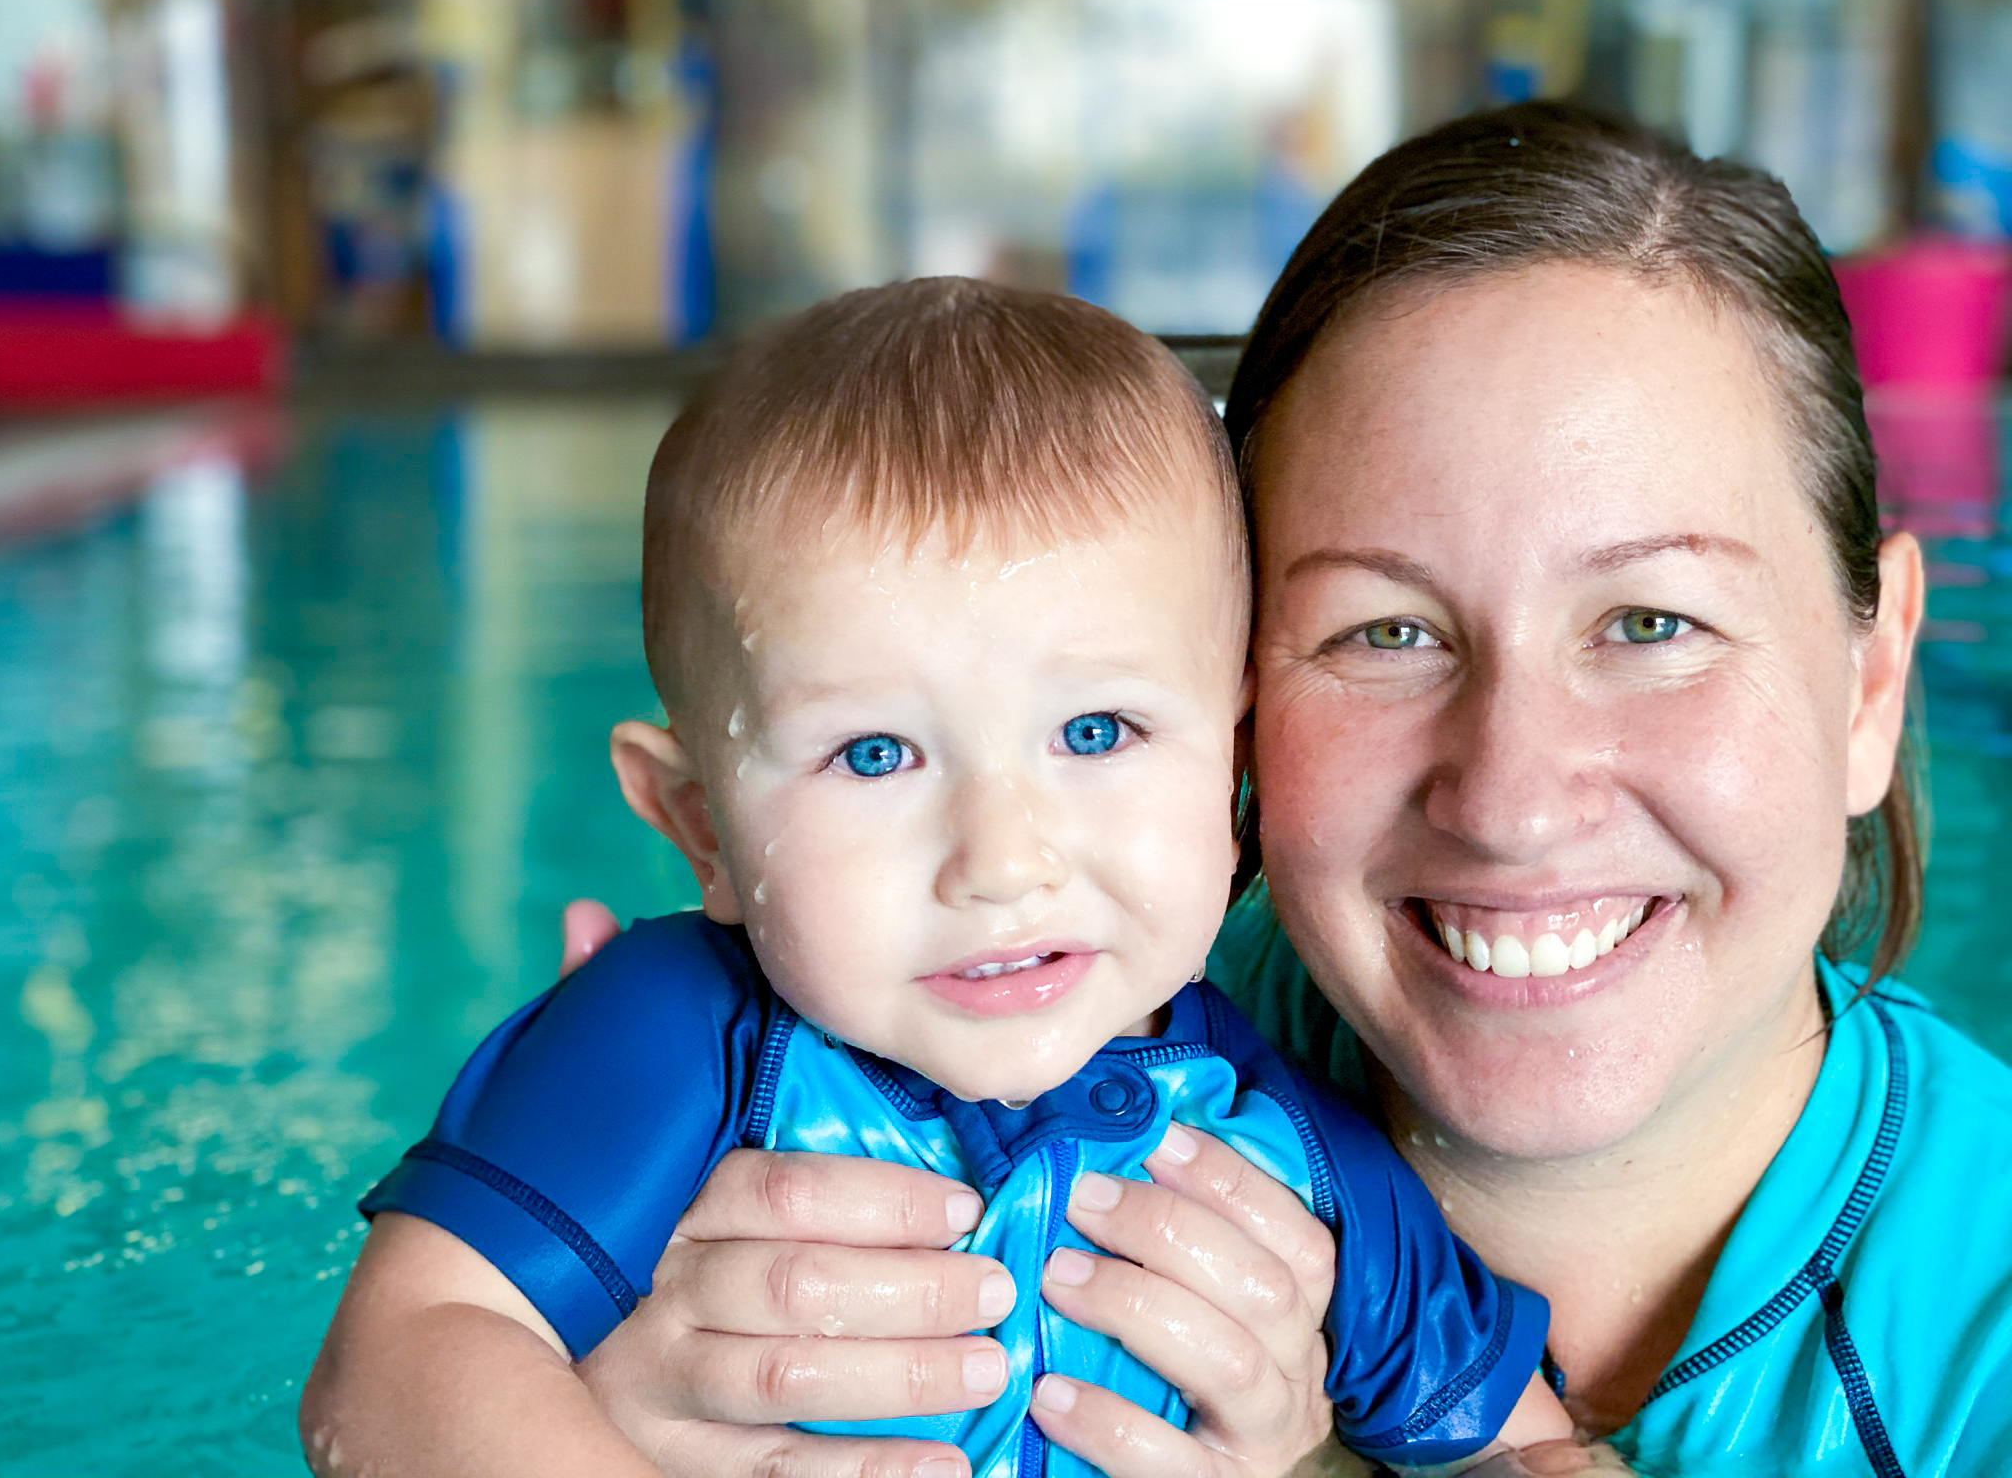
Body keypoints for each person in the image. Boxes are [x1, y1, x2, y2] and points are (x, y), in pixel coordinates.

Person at [523, 103, 2012, 1478]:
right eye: (1386, 632)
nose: (1511, 799)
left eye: (1651, 624)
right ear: (1233, 709)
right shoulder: (983, 1026)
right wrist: (573, 1395)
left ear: (1870, 682)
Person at [299, 278, 1573, 1478]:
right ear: (701, 827)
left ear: (1233, 776)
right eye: (873, 754)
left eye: (1094, 733)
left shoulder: (1285, 1157)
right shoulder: (685, 1037)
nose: (1001, 861)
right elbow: (402, 1358)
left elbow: (1521, 1446)